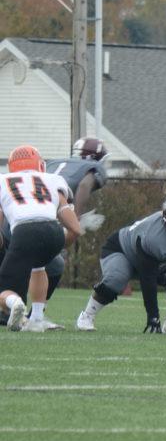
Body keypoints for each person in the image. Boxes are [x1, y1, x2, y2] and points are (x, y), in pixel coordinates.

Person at [0, 137, 107, 329]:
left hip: (24, 232)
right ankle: (37, 319)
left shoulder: (3, 181)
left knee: (5, 289)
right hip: (54, 231)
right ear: (39, 164)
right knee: (39, 267)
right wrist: (60, 242)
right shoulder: (52, 180)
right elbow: (74, 227)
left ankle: (16, 304)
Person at [76, 193, 166, 334]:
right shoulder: (154, 238)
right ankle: (86, 316)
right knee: (117, 278)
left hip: (153, 260)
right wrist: (153, 317)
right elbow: (148, 279)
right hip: (121, 250)